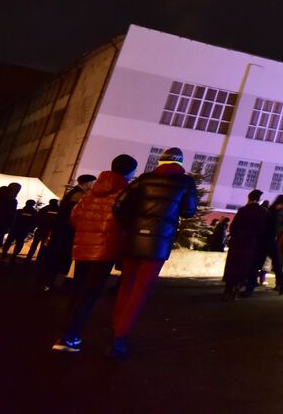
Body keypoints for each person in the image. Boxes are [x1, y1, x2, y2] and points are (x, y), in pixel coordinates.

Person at [109, 147, 199, 356]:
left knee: (126, 285)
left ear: (160, 162)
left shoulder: (143, 179)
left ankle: (116, 327)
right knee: (140, 290)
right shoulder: (185, 182)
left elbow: (119, 206)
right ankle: (120, 336)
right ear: (179, 163)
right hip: (158, 242)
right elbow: (188, 211)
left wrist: (132, 225)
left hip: (134, 239)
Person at [52, 155, 138, 353]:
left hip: (83, 247)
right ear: (130, 172)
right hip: (105, 249)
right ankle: (69, 336)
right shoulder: (125, 191)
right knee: (89, 294)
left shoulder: (91, 191)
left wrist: (86, 232)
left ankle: (66, 333)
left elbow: (75, 216)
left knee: (78, 291)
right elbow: (126, 220)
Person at [37, 175, 96, 290]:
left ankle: (50, 283)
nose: (93, 185)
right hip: (67, 232)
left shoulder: (73, 193)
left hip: (62, 232)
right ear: (86, 183)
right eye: (92, 183)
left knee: (57, 258)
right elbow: (74, 216)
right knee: (62, 258)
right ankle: (55, 284)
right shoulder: (78, 196)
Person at [222, 190, 268, 300]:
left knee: (233, 266)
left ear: (249, 198)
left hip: (237, 242)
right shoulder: (263, 212)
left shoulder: (243, 210)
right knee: (244, 267)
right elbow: (263, 230)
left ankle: (228, 290)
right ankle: (236, 291)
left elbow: (233, 227)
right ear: (259, 200)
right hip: (251, 244)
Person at [262, 195, 283, 293]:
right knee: (257, 263)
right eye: (280, 204)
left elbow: (282, 225)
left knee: (277, 264)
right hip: (264, 240)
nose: (281, 206)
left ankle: (282, 285)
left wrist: (278, 230)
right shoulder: (269, 212)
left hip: (272, 240)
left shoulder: (281, 213)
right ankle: (249, 286)